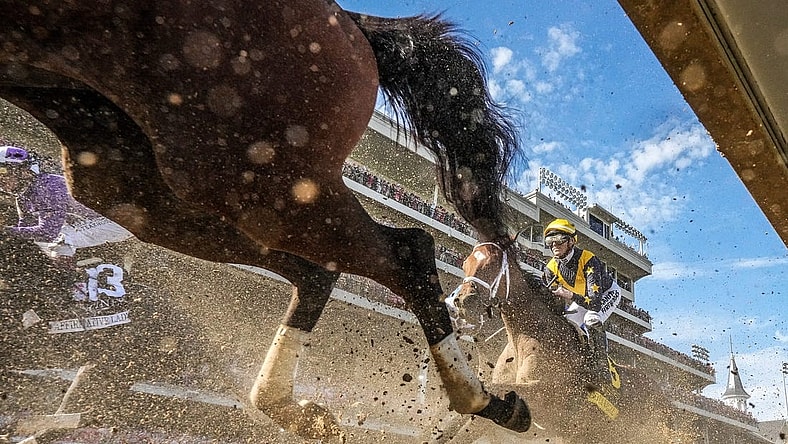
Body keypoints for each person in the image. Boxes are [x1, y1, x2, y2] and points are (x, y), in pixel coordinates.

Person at [0, 145, 133, 258]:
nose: (1, 180)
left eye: (3, 172)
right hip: (93, 222)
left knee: (62, 240)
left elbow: (48, 232)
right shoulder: (23, 197)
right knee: (50, 242)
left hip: (117, 221)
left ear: (24, 172)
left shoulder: (47, 187)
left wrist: (6, 231)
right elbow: (24, 231)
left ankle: (65, 284)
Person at [541, 218, 621, 332]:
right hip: (583, 298)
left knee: (591, 319)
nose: (554, 244)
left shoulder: (588, 259)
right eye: (549, 241)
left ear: (572, 241)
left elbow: (594, 303)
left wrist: (571, 296)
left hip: (606, 293)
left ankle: (600, 350)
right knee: (566, 324)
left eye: (559, 239)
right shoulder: (550, 269)